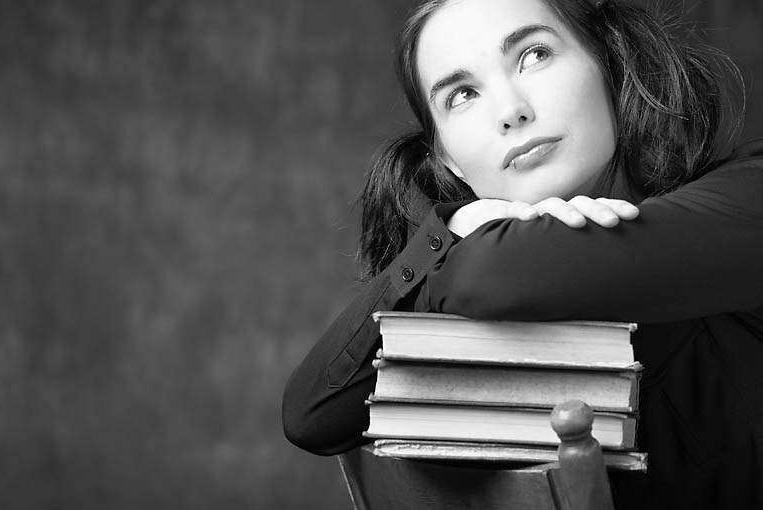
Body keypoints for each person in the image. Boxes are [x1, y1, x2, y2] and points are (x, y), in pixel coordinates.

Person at [282, 0, 763, 508]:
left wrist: (454, 249)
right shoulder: (471, 284)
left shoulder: (748, 191)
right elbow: (311, 413)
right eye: (462, 94)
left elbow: (495, 275)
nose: (511, 111)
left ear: (610, 64)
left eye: (534, 55)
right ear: (448, 156)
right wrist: (453, 231)